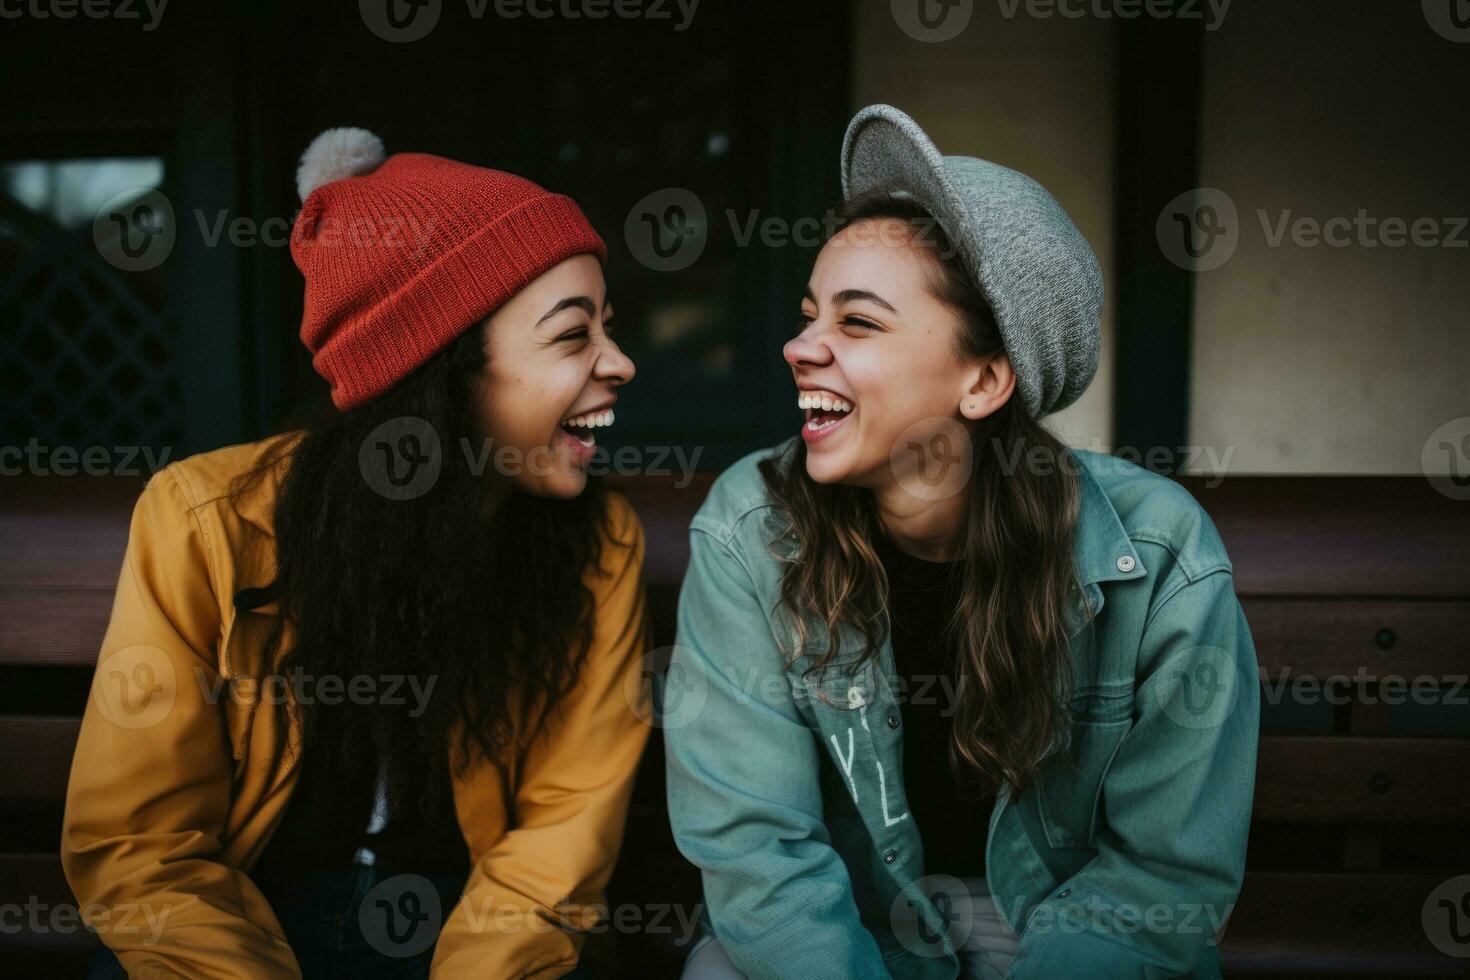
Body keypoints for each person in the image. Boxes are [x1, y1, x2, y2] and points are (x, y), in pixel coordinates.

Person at [666, 105, 1259, 979]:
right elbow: (760, 854)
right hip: (853, 920)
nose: (798, 346)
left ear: (982, 381)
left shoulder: (1162, 558)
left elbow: (1162, 877)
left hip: (1061, 925)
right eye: (808, 314)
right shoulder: (749, 530)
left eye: (856, 323)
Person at [61, 127, 650, 979]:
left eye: (608, 325)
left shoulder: (598, 543)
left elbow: (561, 832)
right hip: (242, 925)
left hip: (471, 931)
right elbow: (143, 844)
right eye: (571, 335)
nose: (621, 362)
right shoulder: (205, 522)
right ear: (439, 370)